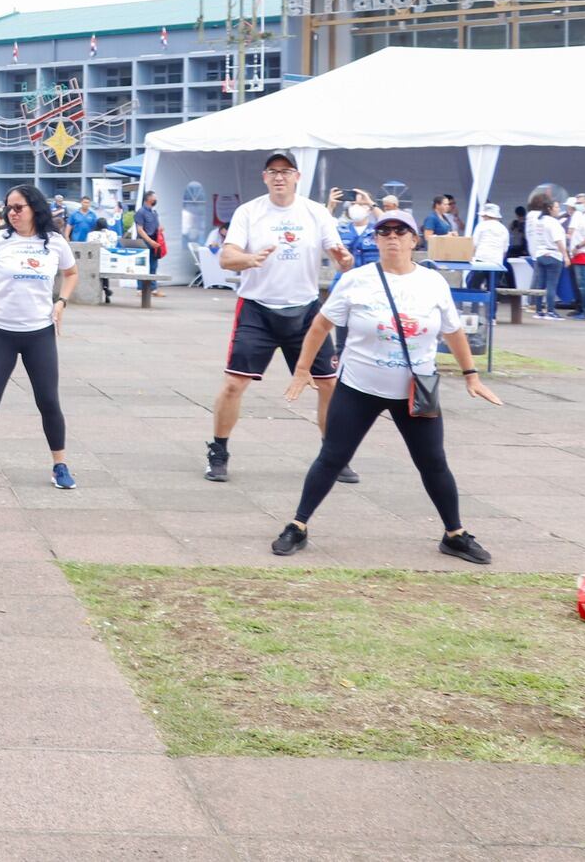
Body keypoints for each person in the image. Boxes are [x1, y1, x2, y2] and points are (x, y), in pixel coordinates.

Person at [273, 208, 501, 564]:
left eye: (400, 231)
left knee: (433, 462)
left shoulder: (432, 282)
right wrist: (302, 369)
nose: (392, 237)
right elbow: (320, 325)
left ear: (414, 240)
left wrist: (471, 374)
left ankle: (454, 534)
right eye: (385, 232)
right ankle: (297, 525)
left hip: (414, 390)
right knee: (332, 456)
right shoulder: (356, 279)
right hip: (359, 386)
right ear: (376, 240)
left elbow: (453, 331)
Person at [204, 153, 356, 485]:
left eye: (285, 172)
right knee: (234, 384)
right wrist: (248, 258)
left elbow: (339, 253)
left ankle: (334, 455)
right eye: (273, 172)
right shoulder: (250, 212)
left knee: (329, 384)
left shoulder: (315, 212)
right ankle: (219, 451)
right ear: (264, 177)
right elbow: (227, 257)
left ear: (297, 176)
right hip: (257, 308)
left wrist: (344, 260)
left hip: (305, 311)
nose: (279, 177)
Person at [0, 185, 79, 490]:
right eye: (8, 208)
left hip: (39, 332)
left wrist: (62, 301)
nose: (11, 214)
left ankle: (60, 465)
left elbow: (72, 273)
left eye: (18, 207)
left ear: (34, 208)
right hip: (0, 331)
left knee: (48, 401)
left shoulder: (53, 242)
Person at [525, 193, 569, 320]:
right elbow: (558, 241)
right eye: (556, 207)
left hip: (540, 254)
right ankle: (550, 311)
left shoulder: (540, 221)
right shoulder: (554, 223)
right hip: (553, 255)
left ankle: (539, 310)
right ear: (549, 208)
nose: (559, 210)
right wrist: (565, 255)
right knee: (551, 285)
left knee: (540, 284)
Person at [467, 202, 509, 293]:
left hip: (481, 261)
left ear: (486, 215)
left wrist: (470, 259)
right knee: (492, 290)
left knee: (473, 286)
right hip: (496, 263)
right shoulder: (504, 229)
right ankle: (491, 306)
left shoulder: (481, 226)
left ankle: (475, 306)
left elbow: (473, 244)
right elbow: (505, 250)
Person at [337, 194, 381, 269]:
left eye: (361, 204)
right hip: (346, 276)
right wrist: (331, 206)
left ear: (369, 208)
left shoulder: (378, 231)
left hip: (371, 276)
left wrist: (371, 203)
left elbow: (387, 221)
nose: (356, 207)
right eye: (353, 204)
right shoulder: (341, 230)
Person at [135, 190, 165, 295]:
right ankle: (140, 289)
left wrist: (160, 230)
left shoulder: (154, 212)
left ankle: (153, 289)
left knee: (153, 265)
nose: (156, 200)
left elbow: (157, 226)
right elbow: (140, 230)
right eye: (154, 198)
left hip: (154, 242)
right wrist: (149, 241)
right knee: (141, 265)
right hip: (144, 242)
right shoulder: (141, 212)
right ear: (149, 199)